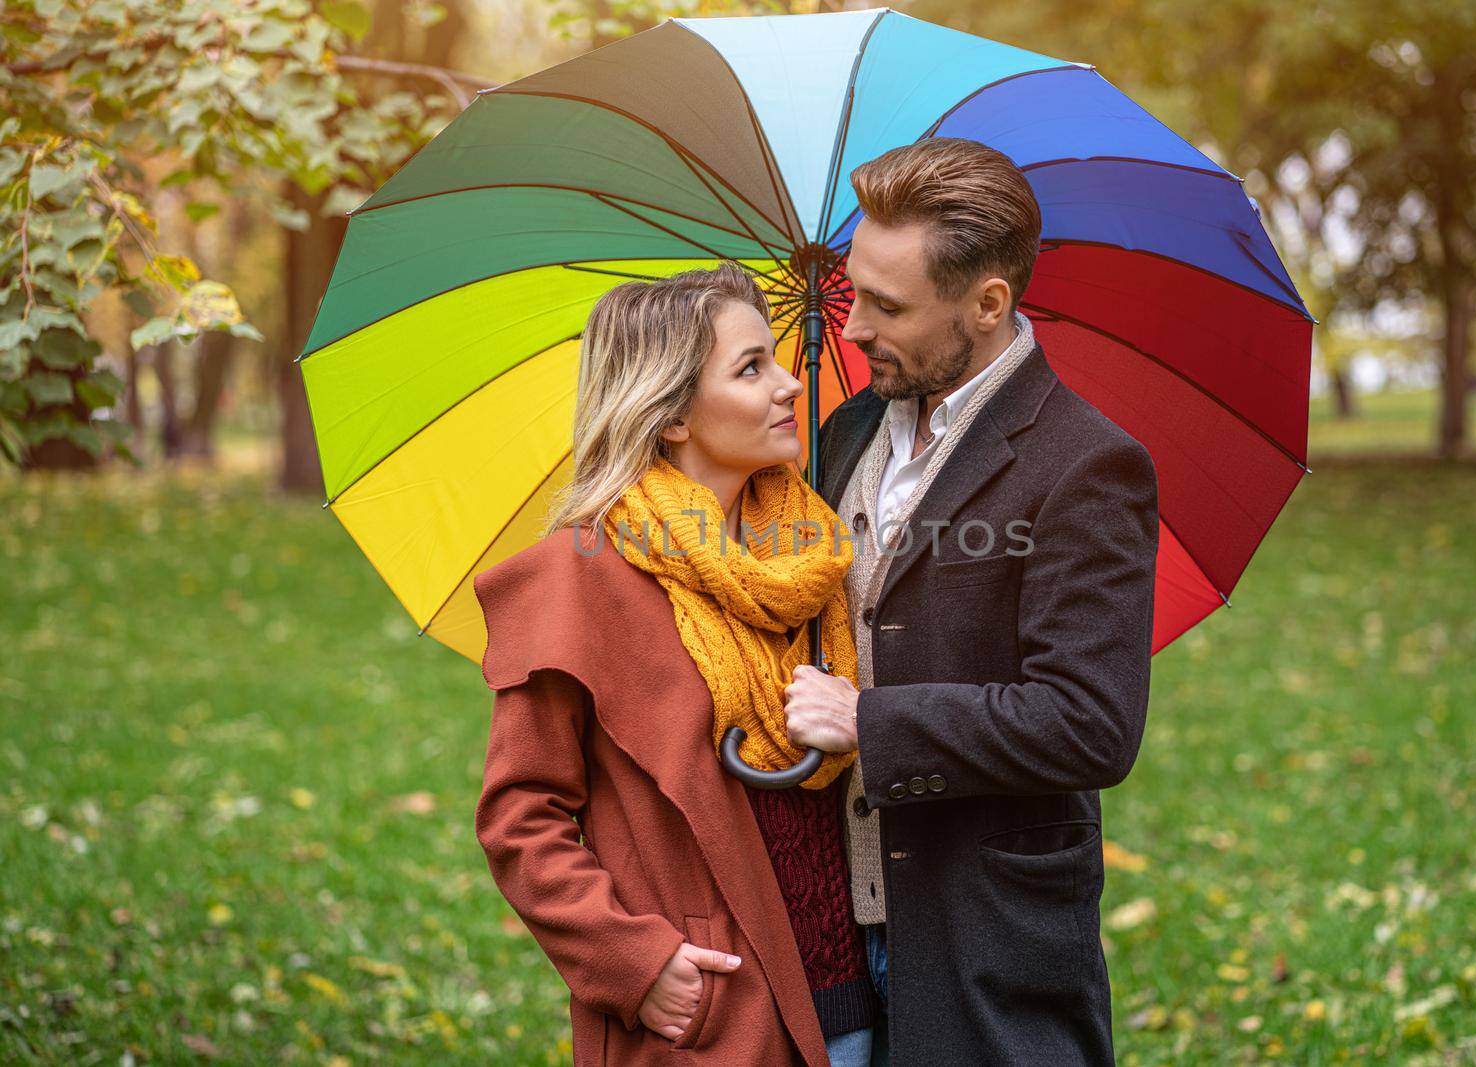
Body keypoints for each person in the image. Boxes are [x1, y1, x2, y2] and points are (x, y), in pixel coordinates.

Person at [782, 137, 1162, 1065]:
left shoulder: (1086, 466)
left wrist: (871, 721)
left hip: (984, 935)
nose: (854, 326)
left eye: (887, 305)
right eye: (853, 291)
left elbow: (1088, 723)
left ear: (989, 302)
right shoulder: (852, 425)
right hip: (830, 923)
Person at [471, 261, 880, 1066]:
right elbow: (521, 814)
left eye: (777, 357)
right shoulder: (579, 575)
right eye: (750, 368)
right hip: (712, 1014)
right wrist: (633, 961)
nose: (790, 385)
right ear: (672, 417)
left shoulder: (812, 558)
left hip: (853, 993)